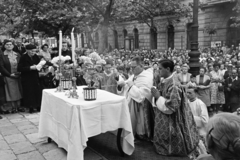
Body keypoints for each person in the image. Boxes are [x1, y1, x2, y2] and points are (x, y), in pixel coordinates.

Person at [151, 59, 199, 157]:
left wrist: (157, 97)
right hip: (163, 116)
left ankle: (170, 150)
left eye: (160, 69)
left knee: (171, 140)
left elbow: (171, 107)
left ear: (168, 69)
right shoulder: (166, 79)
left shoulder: (174, 84)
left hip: (172, 120)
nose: (158, 71)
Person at [117, 56, 154, 140]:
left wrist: (130, 85)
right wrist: (122, 85)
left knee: (140, 125)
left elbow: (141, 96)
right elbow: (128, 83)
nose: (131, 69)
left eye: (134, 67)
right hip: (131, 104)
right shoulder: (135, 75)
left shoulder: (146, 77)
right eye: (131, 67)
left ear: (141, 66)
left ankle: (141, 135)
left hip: (141, 106)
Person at [0, 40, 23, 113]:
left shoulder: (17, 54)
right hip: (8, 76)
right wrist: (9, 74)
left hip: (17, 76)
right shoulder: (2, 55)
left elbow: (21, 64)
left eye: (10, 44)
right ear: (4, 46)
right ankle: (11, 107)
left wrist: (19, 72)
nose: (9, 46)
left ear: (13, 46)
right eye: (7, 44)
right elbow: (1, 67)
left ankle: (18, 106)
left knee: (18, 91)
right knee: (10, 92)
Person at [18, 44, 41, 113]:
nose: (33, 53)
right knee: (29, 93)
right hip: (27, 78)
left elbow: (39, 64)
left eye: (34, 51)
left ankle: (38, 106)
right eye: (32, 51)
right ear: (27, 51)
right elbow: (19, 68)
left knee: (36, 92)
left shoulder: (36, 57)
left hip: (35, 77)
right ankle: (30, 107)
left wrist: (39, 66)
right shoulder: (23, 57)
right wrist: (30, 68)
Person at [186, 87, 209, 154]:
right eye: (187, 92)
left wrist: (190, 117)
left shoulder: (200, 104)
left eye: (190, 93)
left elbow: (205, 119)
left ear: (196, 93)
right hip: (189, 128)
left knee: (201, 150)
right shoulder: (186, 102)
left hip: (199, 129)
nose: (187, 94)